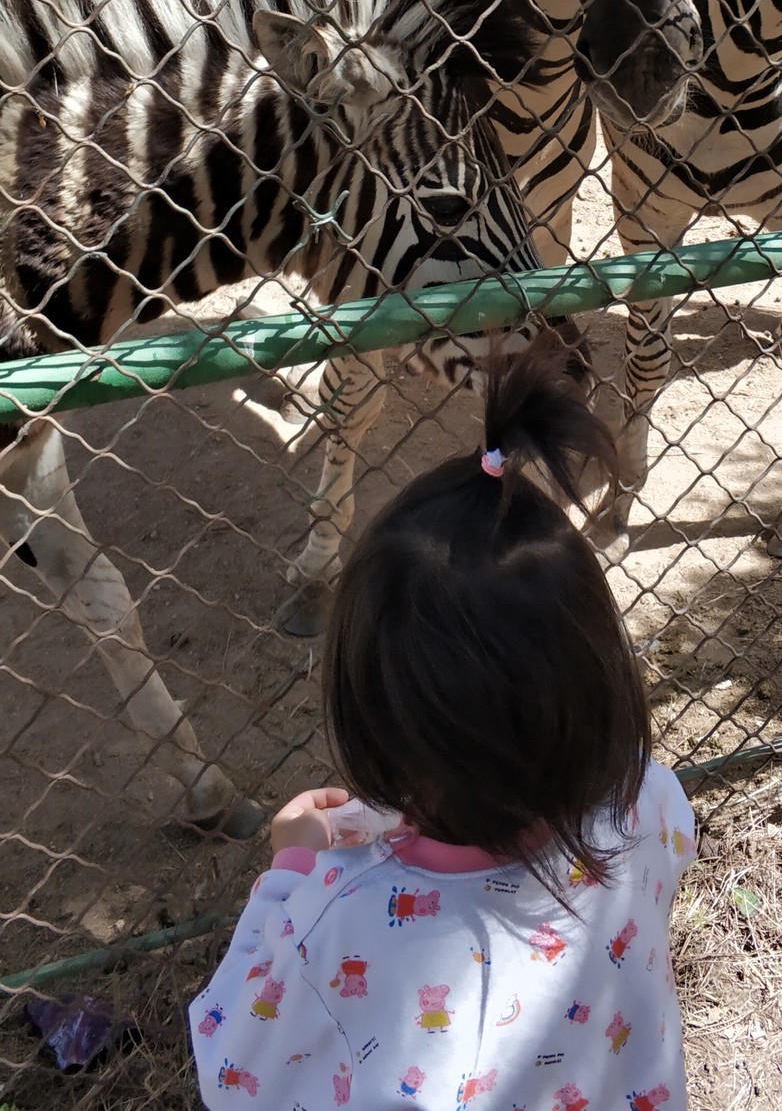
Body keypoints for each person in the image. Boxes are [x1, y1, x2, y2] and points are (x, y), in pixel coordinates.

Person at [189, 337, 697, 1110]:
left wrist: (288, 872)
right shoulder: (647, 804)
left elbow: (233, 1070)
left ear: (374, 724)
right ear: (597, 678)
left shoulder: (338, 915)